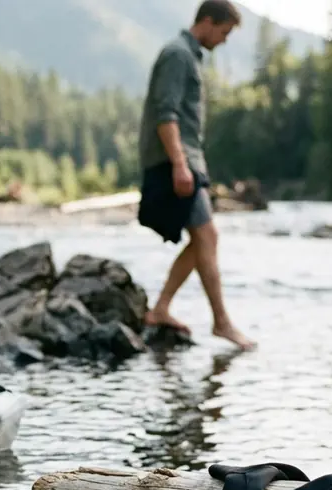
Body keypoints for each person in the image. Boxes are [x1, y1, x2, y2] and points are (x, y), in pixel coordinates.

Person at [136, 0, 255, 351]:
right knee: (207, 234)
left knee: (206, 237)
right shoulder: (178, 55)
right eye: (224, 31)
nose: (225, 40)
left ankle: (161, 308)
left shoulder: (188, 56)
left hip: (185, 160)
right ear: (207, 22)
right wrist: (178, 163)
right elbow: (166, 113)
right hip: (175, 160)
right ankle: (221, 323)